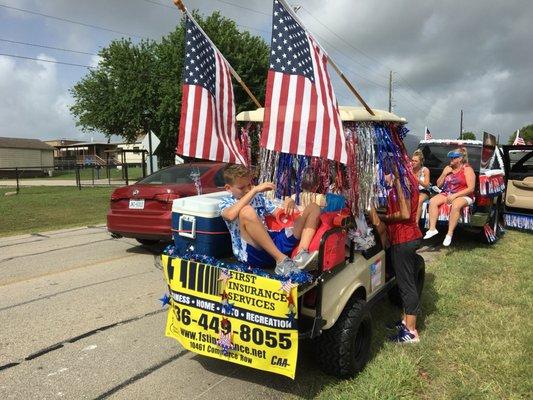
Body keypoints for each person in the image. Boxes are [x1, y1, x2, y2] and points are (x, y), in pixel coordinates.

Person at [219, 164, 321, 275]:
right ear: (228, 188)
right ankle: (281, 260)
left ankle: (301, 255)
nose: (248, 189)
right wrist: (254, 191)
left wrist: (289, 204)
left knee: (313, 207)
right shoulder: (226, 203)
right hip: (253, 251)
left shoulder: (258, 198)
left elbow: (280, 214)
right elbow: (230, 215)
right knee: (246, 211)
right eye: (242, 187)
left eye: (249, 185)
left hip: (272, 243)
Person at [370, 167, 423, 343]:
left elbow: (406, 213)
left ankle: (411, 331)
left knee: (407, 285)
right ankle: (405, 321)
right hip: (404, 237)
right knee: (404, 283)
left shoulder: (403, 181)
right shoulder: (405, 179)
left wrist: (384, 218)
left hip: (404, 238)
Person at [423, 147, 475, 246]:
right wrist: (444, 173)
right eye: (450, 158)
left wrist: (455, 195)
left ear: (460, 159)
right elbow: (438, 185)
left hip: (464, 194)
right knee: (433, 201)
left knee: (456, 205)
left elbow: (471, 188)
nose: (451, 160)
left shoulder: (467, 169)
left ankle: (449, 234)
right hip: (448, 193)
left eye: (453, 158)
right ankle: (432, 229)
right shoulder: (448, 169)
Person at [411, 150, 430, 224]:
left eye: (415, 161)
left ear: (420, 162)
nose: (413, 162)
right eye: (412, 160)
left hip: (423, 190)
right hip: (412, 190)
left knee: (419, 201)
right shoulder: (409, 169)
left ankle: (416, 223)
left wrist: (417, 179)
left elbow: (427, 185)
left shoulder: (425, 170)